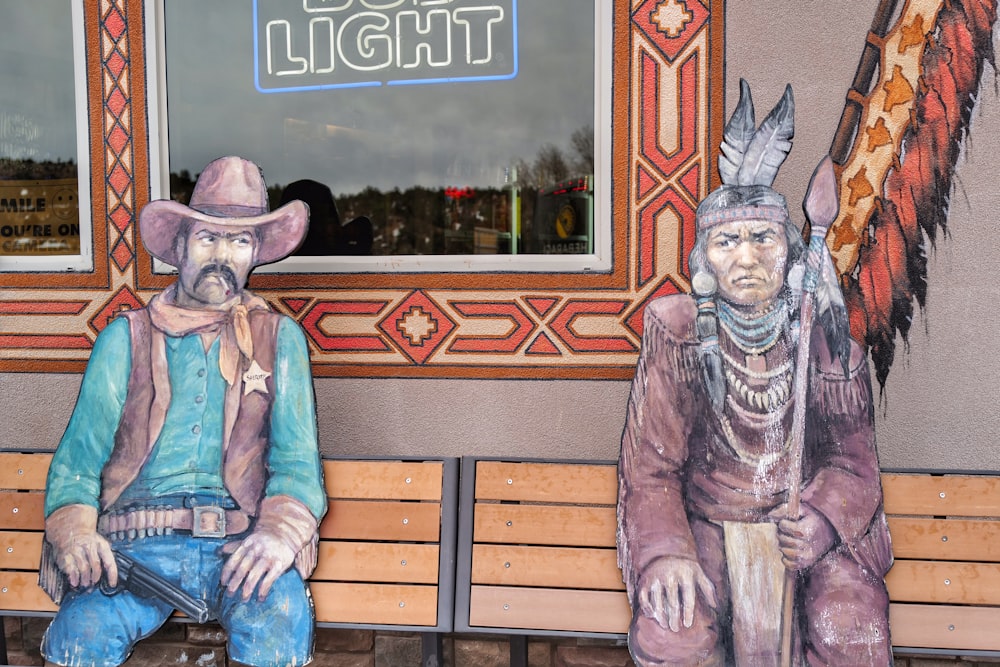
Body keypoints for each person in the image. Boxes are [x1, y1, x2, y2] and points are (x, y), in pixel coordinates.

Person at [616, 82, 893, 666]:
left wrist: (820, 522)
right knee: (675, 634)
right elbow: (652, 467)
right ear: (705, 262)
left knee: (851, 630)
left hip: (806, 528)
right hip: (708, 522)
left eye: (763, 238)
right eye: (728, 241)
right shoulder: (678, 328)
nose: (746, 258)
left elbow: (854, 460)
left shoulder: (824, 330)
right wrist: (665, 552)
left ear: (790, 249)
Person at [39, 156, 328, 667]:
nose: (224, 255)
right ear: (179, 247)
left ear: (255, 252)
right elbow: (77, 461)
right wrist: (78, 530)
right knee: (81, 633)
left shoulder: (280, 340)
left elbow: (298, 464)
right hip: (133, 549)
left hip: (237, 547)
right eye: (208, 239)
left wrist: (279, 534)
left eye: (240, 242)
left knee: (280, 618)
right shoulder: (124, 338)